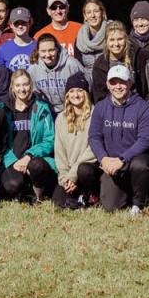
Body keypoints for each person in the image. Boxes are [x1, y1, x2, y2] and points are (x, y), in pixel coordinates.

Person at [88, 64, 149, 214]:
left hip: (133, 160)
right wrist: (103, 158)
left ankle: (138, 203)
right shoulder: (100, 107)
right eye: (113, 82)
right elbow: (94, 136)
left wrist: (122, 159)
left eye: (122, 82)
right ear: (107, 84)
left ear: (130, 83)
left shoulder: (142, 107)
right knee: (110, 207)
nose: (118, 86)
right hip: (111, 164)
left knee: (141, 165)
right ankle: (124, 194)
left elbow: (145, 139)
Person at [0, 69, 57, 203]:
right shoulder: (4, 109)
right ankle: (23, 192)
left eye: (25, 84)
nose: (22, 89)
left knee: (37, 167)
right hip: (13, 160)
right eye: (18, 85)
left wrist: (29, 156)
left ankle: (38, 194)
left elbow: (49, 140)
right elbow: (0, 143)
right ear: (12, 88)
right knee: (13, 184)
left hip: (34, 159)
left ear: (30, 85)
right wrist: (14, 161)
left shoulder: (42, 108)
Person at [53, 72, 99, 209]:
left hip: (89, 170)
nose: (76, 95)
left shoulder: (95, 114)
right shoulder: (61, 118)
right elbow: (59, 151)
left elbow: (93, 150)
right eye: (72, 91)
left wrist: (73, 175)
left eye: (80, 90)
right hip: (69, 173)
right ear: (67, 95)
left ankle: (90, 195)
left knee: (84, 170)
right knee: (58, 202)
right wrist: (65, 178)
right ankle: (76, 195)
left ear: (86, 93)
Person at [91, 21, 149, 104]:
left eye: (120, 39)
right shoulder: (100, 65)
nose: (116, 44)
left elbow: (148, 85)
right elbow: (99, 96)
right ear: (106, 42)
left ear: (126, 39)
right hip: (112, 107)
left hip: (138, 103)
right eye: (112, 40)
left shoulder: (139, 56)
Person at [28, 33, 84, 115]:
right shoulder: (33, 69)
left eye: (51, 50)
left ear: (57, 49)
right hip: (47, 112)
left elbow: (87, 87)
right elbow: (33, 94)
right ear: (38, 51)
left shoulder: (71, 64)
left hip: (72, 109)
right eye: (43, 51)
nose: (47, 55)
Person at [73, 0, 109, 81]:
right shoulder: (80, 39)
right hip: (88, 82)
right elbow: (78, 67)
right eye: (89, 12)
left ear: (102, 13)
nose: (93, 15)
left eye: (96, 11)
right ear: (85, 16)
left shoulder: (112, 34)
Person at [0, 7, 36, 72]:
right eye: (16, 23)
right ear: (11, 25)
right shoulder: (3, 49)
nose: (20, 26)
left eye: (23, 23)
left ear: (29, 23)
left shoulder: (38, 47)